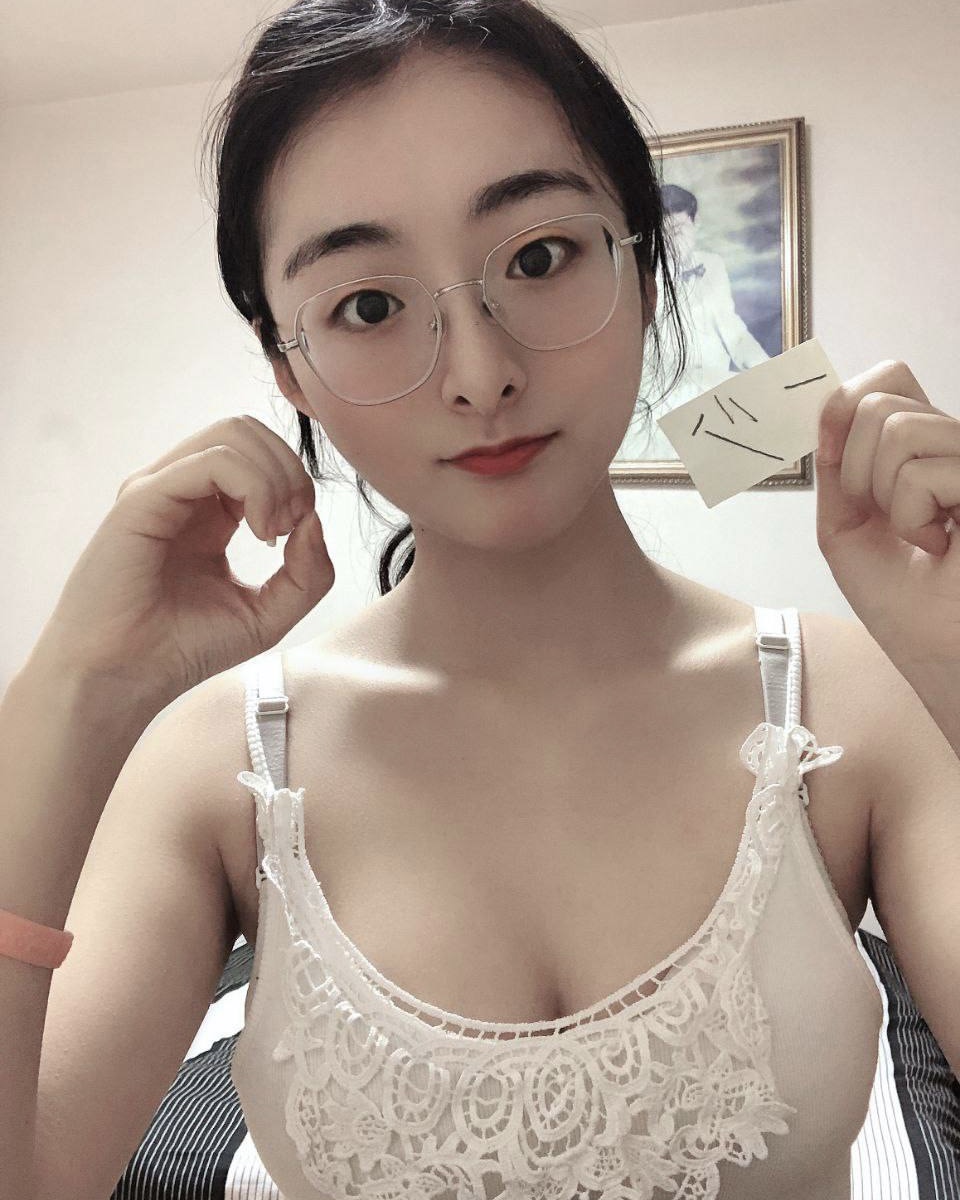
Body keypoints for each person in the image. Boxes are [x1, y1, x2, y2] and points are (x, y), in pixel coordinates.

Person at [9, 1, 958, 1197]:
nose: (480, 373)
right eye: (368, 306)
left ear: (645, 268)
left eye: (541, 257)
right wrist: (69, 697)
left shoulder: (852, 707)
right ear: (288, 365)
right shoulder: (221, 769)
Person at [632, 183, 771, 462]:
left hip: (713, 388)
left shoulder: (713, 265)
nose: (671, 240)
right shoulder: (639, 277)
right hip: (664, 395)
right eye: (663, 233)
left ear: (695, 224)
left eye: (679, 230)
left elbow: (732, 329)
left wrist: (767, 371)